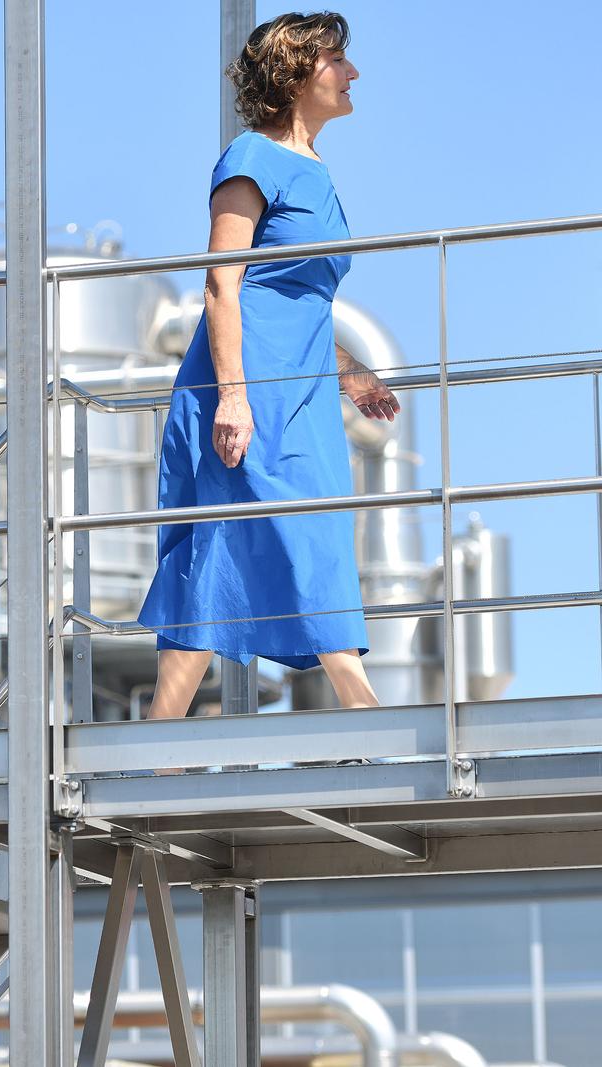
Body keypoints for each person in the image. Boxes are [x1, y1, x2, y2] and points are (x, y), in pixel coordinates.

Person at [137, 11, 401, 720]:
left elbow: (295, 295)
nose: (352, 73)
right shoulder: (250, 157)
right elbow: (225, 281)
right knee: (221, 544)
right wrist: (232, 396)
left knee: (313, 536)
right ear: (294, 74)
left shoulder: (315, 168)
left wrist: (349, 370)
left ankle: (360, 710)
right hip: (244, 386)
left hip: (304, 390)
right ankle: (364, 714)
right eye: (337, 60)